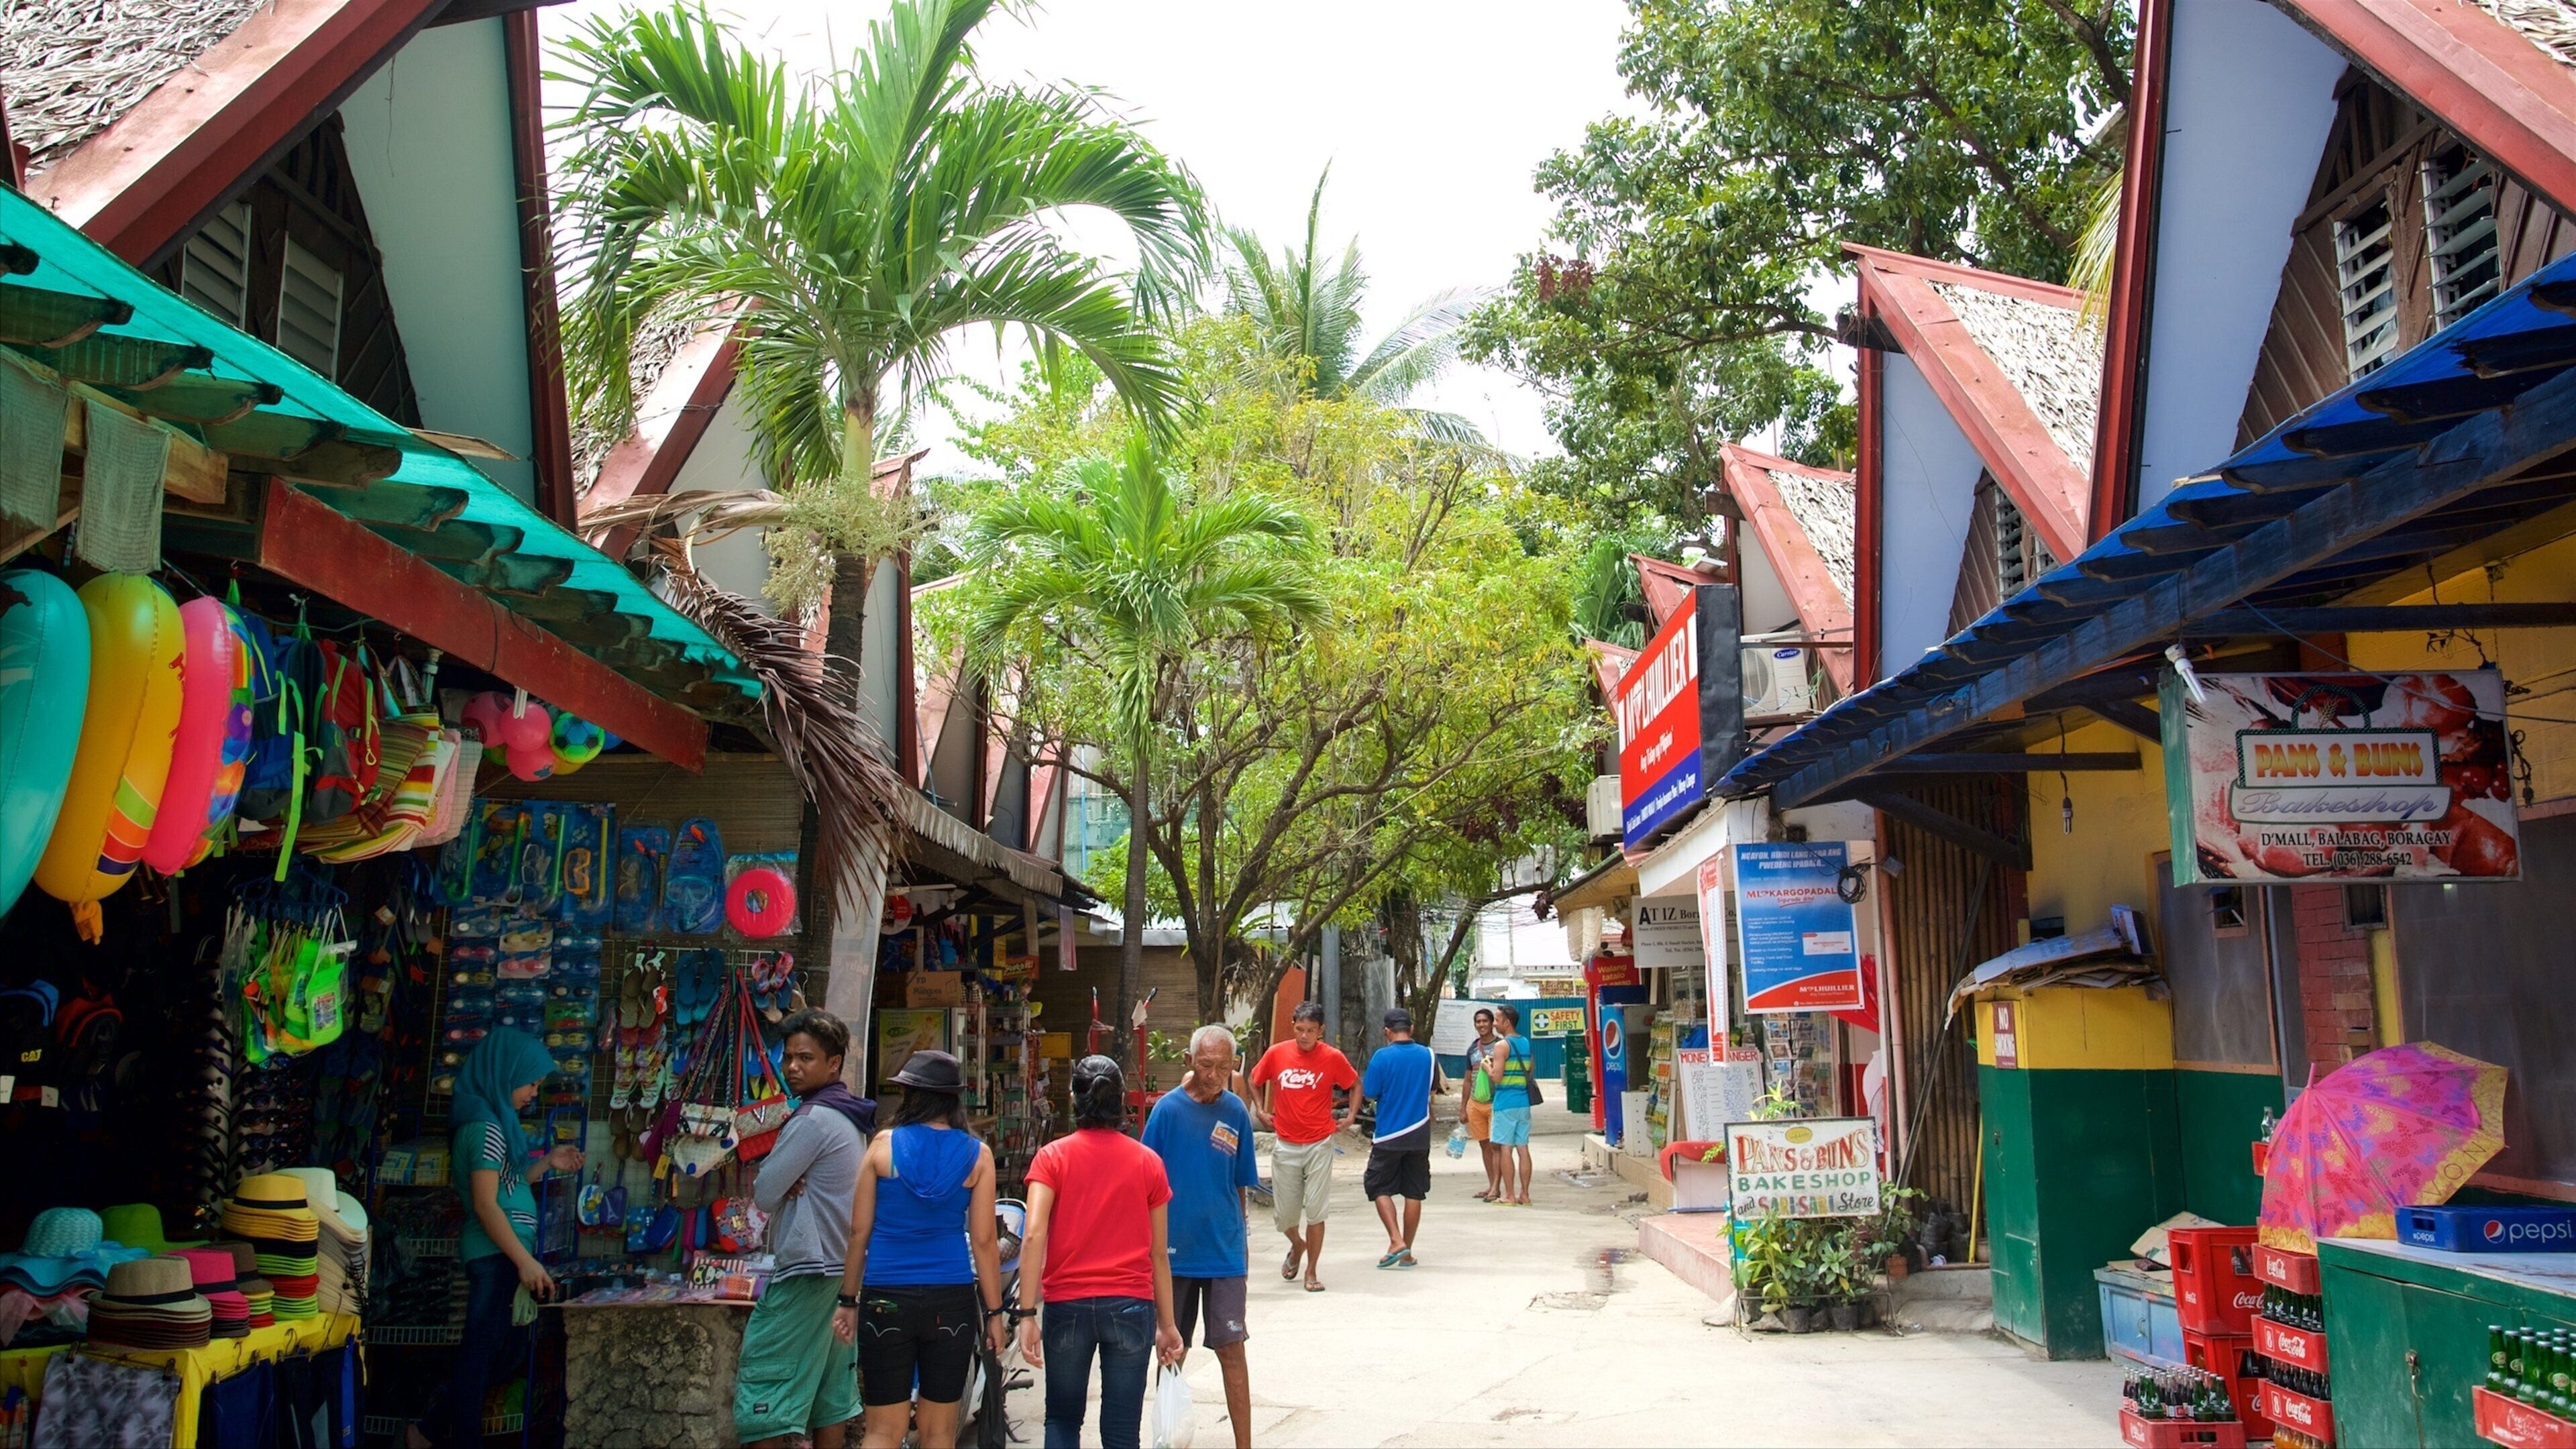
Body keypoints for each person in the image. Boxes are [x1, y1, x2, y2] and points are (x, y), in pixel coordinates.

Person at [830, 1051, 1004, 1449]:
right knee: (939, 1432)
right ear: (953, 1099)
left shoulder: (882, 1147)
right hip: (951, 1299)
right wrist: (995, 1314)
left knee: (882, 1431)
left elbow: (858, 1232)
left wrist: (848, 1300)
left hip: (885, 1296)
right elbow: (984, 1242)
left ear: (911, 1095)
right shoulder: (978, 1155)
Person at [415, 1028, 580, 1449]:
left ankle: (429, 1430)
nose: (534, 1094)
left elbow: (509, 1186)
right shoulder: (485, 1129)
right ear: (506, 1074)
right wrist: (524, 1261)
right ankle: (442, 1434)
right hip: (495, 1253)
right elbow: (487, 1206)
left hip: (503, 1252)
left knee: (502, 1350)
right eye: (530, 1084)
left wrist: (547, 1162)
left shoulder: (493, 1125)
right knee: (484, 1351)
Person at [1016, 1056, 1183, 1449]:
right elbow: (1159, 1253)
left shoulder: (1052, 1157)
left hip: (1066, 1307)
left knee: (1061, 1420)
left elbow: (1033, 1235)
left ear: (1075, 1098)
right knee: (1122, 1432)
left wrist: (1026, 1315)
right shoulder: (1148, 1162)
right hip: (1131, 1307)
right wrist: (1167, 1324)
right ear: (1121, 1099)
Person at [737, 1010, 875, 1449]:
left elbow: (764, 1193)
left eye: (806, 1058)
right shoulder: (846, 1115)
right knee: (830, 1390)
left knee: (767, 1383)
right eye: (788, 1057)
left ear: (833, 1064)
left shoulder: (813, 1120)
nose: (792, 1067)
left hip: (808, 1271)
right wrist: (785, 1178)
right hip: (840, 1270)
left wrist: (781, 1178)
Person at [1142, 1026, 1260, 1449]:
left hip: (1224, 1252)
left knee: (1232, 1348)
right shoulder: (1167, 1112)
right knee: (1172, 1351)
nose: (1214, 1075)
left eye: (1223, 1067)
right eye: (1206, 1065)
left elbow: (1240, 1185)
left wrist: (1241, 1246)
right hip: (1172, 1255)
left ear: (1234, 1066)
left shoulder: (1236, 1111)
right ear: (1189, 1061)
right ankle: (1168, 1438)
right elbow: (1145, 1183)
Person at [1246, 1002, 1356, 1292]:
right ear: (1293, 1026)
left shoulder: (1332, 1057)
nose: (1304, 1036)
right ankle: (1297, 1245)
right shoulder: (1276, 1053)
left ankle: (1311, 1271)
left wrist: (1351, 1116)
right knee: (1284, 1217)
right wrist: (1260, 1110)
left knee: (1317, 1211)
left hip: (1320, 1143)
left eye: (1311, 1031)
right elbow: (1254, 1080)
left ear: (1321, 1031)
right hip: (1286, 1144)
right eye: (1300, 1029)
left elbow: (1355, 1084)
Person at [1358, 1008, 1436, 1267]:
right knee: (1414, 1191)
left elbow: (1370, 1092)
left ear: (1387, 1032)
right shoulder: (1428, 1055)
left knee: (1377, 1186)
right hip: (1420, 1133)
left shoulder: (1382, 1057)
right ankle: (1407, 1252)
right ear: (1411, 1029)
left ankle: (1396, 1239)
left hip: (1389, 1134)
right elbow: (1432, 1089)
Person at [1488, 1004, 1536, 1206]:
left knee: (1505, 1148)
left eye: (1497, 1020)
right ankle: (1525, 1194)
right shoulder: (1525, 1042)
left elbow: (1497, 1078)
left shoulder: (1501, 1046)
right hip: (1523, 1102)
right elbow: (1530, 1070)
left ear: (1507, 1022)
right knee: (1523, 1148)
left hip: (1506, 1103)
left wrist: (1488, 1068)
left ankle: (1509, 1194)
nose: (1494, 1024)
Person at [1460, 1007, 1503, 1201]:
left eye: (1485, 1021)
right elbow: (1468, 1080)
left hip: (1496, 1102)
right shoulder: (1472, 1049)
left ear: (1492, 1023)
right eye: (1478, 1022)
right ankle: (1492, 1184)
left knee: (1496, 1145)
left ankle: (1496, 1187)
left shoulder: (1502, 1045)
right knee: (1484, 1144)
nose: (1482, 1024)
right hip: (1476, 1104)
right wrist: (1463, 1108)